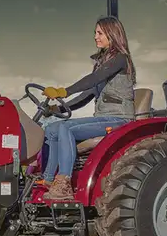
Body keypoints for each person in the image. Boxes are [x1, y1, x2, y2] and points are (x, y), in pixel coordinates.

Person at [38, 15, 136, 200]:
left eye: (99, 33)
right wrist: (56, 110)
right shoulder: (103, 64)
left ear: (112, 33)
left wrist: (63, 91)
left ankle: (64, 183)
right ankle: (48, 179)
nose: (95, 37)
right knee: (52, 129)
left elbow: (93, 79)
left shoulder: (121, 59)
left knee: (66, 128)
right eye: (95, 33)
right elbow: (86, 95)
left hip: (118, 119)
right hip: (103, 118)